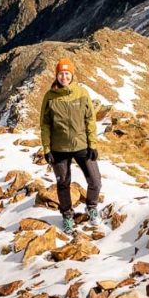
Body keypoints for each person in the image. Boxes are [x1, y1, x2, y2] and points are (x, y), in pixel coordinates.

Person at [39, 57, 101, 235]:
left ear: (72, 75)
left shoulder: (81, 93)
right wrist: (47, 149)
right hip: (59, 149)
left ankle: (91, 208)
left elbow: (90, 119)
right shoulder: (50, 97)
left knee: (95, 181)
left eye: (67, 73)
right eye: (61, 74)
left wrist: (93, 144)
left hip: (82, 145)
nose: (64, 77)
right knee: (63, 184)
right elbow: (45, 125)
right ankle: (67, 216)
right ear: (56, 75)